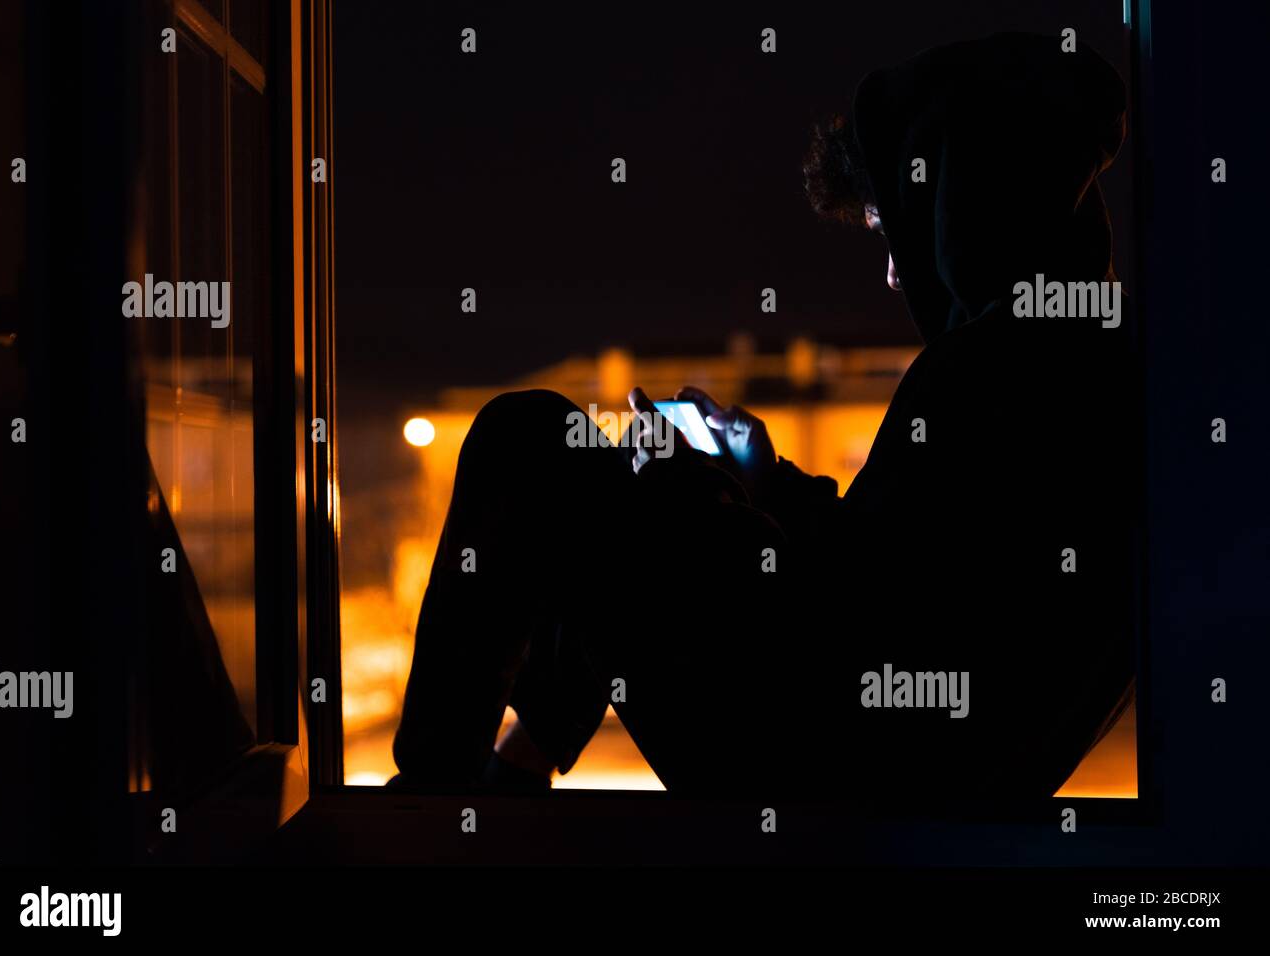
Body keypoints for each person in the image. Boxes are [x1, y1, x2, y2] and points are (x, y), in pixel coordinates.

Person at [390, 32, 1136, 802]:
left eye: (890, 230)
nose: (890, 274)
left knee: (532, 441)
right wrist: (764, 481)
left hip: (831, 774)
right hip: (889, 765)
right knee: (613, 496)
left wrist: (687, 483)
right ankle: (505, 774)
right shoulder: (1086, 362)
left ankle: (430, 802)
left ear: (959, 198)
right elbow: (890, 582)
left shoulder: (993, 373)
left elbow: (851, 630)